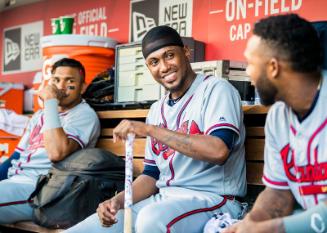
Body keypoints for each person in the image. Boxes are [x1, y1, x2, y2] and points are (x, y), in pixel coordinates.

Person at [65, 26, 246, 233]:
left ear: (186, 52)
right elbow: (151, 176)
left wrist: (150, 130)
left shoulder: (216, 89)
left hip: (213, 199)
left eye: (169, 55)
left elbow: (218, 151)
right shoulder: (156, 109)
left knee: (151, 220)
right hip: (164, 199)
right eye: (154, 62)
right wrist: (117, 201)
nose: (164, 67)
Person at [223, 14, 327, 233]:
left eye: (250, 64)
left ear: (273, 67)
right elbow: (279, 191)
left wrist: (274, 229)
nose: (248, 74)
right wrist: (251, 223)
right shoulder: (278, 116)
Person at [0, 58, 100, 223]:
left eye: (70, 81)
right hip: (16, 181)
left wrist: (51, 102)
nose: (61, 86)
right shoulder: (40, 115)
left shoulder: (83, 114)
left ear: (82, 87)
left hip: (43, 191)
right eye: (56, 80)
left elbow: (56, 153)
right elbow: (16, 156)